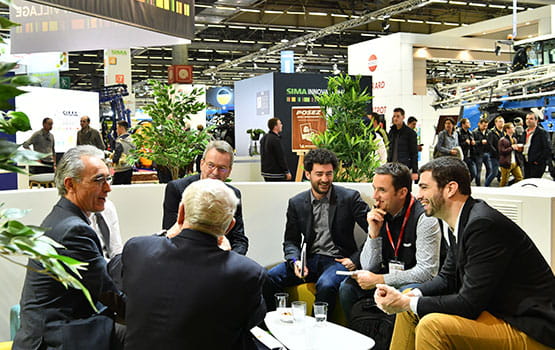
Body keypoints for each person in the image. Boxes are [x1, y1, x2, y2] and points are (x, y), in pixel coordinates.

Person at [373, 157, 555, 350]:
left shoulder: (482, 225)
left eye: (425, 187)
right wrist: (408, 297)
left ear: (450, 188)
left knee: (431, 326)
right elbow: (446, 278)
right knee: (409, 303)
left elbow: (469, 303)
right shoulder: (463, 221)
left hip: (530, 327)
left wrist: (406, 302)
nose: (418, 195)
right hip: (501, 313)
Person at [120, 179, 266, 350]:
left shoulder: (137, 249)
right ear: (229, 227)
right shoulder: (247, 272)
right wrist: (229, 256)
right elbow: (253, 320)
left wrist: (166, 234)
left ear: (180, 213)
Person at [14, 145, 124, 350]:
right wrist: (151, 314)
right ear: (70, 184)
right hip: (55, 338)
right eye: (99, 180)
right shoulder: (74, 230)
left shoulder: (64, 217)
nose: (108, 188)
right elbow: (108, 293)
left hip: (58, 327)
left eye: (108, 179)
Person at [263, 148, 369, 315]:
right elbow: (291, 241)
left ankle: (316, 332)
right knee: (269, 277)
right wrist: (295, 261)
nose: (325, 179)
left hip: (337, 261)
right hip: (309, 259)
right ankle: (275, 323)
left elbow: (375, 232)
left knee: (326, 285)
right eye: (319, 174)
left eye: (329, 174)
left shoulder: (349, 198)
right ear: (308, 174)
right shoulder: (296, 202)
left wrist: (355, 258)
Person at [339, 162, 441, 321]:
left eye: (382, 190)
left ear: (402, 192)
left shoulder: (425, 218)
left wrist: (379, 280)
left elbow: (427, 272)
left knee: (404, 295)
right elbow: (368, 266)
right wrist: (373, 233)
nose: (375, 196)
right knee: (348, 289)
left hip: (414, 283)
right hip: (388, 277)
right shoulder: (379, 213)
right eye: (374, 188)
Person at [162, 140, 248, 255]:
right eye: (211, 165)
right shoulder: (177, 189)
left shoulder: (233, 194)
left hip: (222, 260)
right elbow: (171, 234)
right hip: (185, 258)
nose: (215, 172)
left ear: (229, 171)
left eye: (222, 168)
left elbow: (239, 240)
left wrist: (231, 259)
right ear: (202, 164)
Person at [387, 108, 418, 181]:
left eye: (398, 116)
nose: (395, 118)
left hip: (404, 166)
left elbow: (414, 153)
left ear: (403, 117)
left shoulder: (410, 133)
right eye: (394, 116)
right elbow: (390, 149)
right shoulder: (391, 132)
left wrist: (415, 171)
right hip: (392, 166)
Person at [260, 117, 291, 181]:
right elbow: (280, 157)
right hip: (276, 173)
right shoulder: (275, 139)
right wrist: (286, 171)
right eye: (280, 124)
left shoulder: (264, 137)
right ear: (275, 127)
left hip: (265, 172)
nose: (281, 125)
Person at [521, 111, 551, 179]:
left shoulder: (542, 133)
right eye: (527, 118)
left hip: (536, 164)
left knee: (534, 184)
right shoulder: (524, 132)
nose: (528, 120)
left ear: (536, 120)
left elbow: (547, 148)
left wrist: (538, 161)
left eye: (531, 119)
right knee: (527, 182)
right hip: (526, 162)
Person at [498, 122, 524, 187]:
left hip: (514, 162)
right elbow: (502, 151)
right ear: (507, 129)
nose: (514, 128)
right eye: (512, 127)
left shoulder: (514, 139)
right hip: (506, 163)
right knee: (504, 181)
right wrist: (512, 148)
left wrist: (518, 148)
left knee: (519, 177)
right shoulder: (502, 140)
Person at [111, 120, 135, 185]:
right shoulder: (133, 139)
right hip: (129, 167)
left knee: (116, 189)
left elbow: (117, 154)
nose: (116, 130)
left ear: (121, 128)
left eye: (117, 128)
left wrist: (113, 161)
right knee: (127, 188)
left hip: (120, 168)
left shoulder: (120, 141)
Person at [485, 116, 504, 186]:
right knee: (494, 173)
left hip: (502, 155)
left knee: (502, 171)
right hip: (494, 156)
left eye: (502, 121)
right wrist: (496, 152)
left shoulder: (503, 132)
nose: (502, 123)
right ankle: (486, 185)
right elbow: (490, 145)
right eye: (500, 121)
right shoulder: (491, 133)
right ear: (496, 123)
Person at [471, 118, 491, 186]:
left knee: (489, 168)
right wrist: (480, 142)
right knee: (478, 170)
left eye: (486, 126)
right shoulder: (475, 132)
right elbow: (473, 143)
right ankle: (478, 184)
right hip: (478, 154)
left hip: (487, 153)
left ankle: (487, 183)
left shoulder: (489, 132)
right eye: (484, 125)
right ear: (479, 124)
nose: (485, 127)